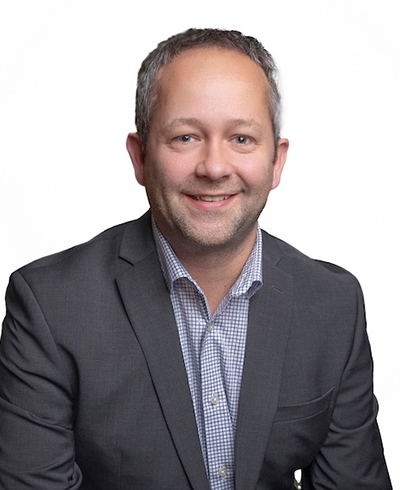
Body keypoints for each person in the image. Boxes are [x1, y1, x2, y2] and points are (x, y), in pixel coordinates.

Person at [0, 28, 392, 490]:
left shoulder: (333, 305)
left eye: (242, 139)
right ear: (140, 157)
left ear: (276, 162)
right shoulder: (51, 307)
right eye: (185, 137)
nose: (214, 167)